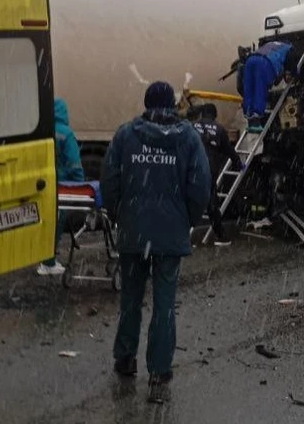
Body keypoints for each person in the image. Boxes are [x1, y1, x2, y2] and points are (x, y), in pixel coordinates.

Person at [102, 81, 211, 403]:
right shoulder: (188, 137)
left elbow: (110, 179)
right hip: (170, 231)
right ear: (174, 104)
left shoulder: (126, 135)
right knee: (164, 305)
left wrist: (118, 213)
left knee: (130, 301)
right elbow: (200, 185)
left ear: (146, 102)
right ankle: (159, 369)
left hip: (134, 230)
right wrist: (186, 220)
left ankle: (125, 358)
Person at [37, 98, 85, 276]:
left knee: (45, 222)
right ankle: (48, 262)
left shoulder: (43, 131)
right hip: (61, 185)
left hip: (44, 184)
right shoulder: (66, 133)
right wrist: (81, 183)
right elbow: (74, 162)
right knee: (56, 222)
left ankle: (43, 257)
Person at [189, 103, 242, 246]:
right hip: (209, 170)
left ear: (202, 114)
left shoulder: (192, 126)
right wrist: (239, 164)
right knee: (212, 204)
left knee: (188, 201)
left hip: (193, 168)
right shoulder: (219, 129)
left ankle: (183, 239)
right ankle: (222, 236)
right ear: (214, 115)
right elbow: (229, 150)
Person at [241, 41, 302, 132]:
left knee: (249, 89)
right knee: (260, 90)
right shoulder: (289, 48)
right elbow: (292, 65)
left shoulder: (272, 44)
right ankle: (256, 121)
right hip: (265, 63)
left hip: (250, 60)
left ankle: (250, 118)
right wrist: (295, 74)